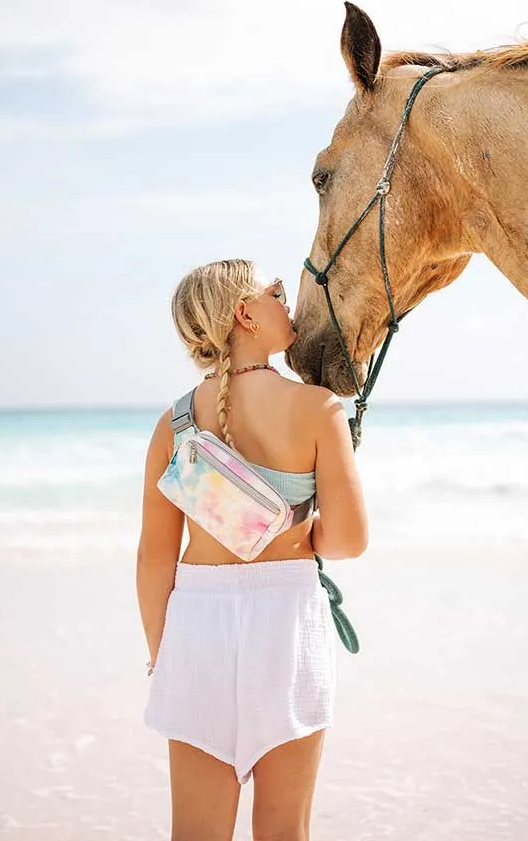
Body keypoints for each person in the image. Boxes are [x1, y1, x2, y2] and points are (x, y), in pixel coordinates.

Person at [137, 258, 367, 841]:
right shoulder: (318, 408)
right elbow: (348, 540)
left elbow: (154, 558)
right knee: (284, 830)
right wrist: (297, 536)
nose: (288, 304)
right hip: (285, 623)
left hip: (196, 629)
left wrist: (162, 654)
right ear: (245, 313)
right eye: (277, 293)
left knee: (195, 832)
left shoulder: (175, 422)